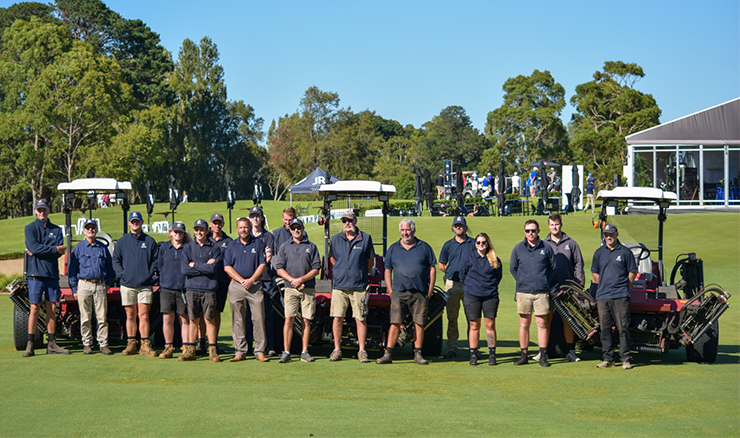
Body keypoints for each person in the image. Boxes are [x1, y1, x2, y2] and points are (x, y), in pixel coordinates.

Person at [377, 218, 437, 365]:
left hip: (419, 292)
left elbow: (432, 269)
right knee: (395, 323)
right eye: (403, 230)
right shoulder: (393, 248)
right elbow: (387, 270)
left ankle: (418, 354)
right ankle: (388, 353)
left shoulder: (424, 247)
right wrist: (391, 291)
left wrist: (429, 291)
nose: (405, 233)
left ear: (413, 230)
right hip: (399, 293)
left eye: (408, 230)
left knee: (419, 323)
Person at [22, 199, 69, 357]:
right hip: (35, 275)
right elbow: (34, 247)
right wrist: (51, 248)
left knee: (52, 308)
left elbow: (60, 250)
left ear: (49, 210)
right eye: (39, 209)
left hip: (51, 274)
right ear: (35, 211)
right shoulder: (30, 228)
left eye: (44, 209)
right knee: (34, 308)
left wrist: (42, 250)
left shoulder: (56, 229)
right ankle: (30, 344)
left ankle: (52, 343)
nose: (42, 212)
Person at [328, 210, 375, 363]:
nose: (346, 224)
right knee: (337, 317)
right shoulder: (335, 239)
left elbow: (370, 262)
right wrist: (342, 272)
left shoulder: (366, 239)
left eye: (349, 220)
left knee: (360, 318)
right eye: (344, 221)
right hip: (339, 286)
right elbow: (333, 259)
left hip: (359, 286)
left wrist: (359, 274)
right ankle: (337, 349)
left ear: (355, 221)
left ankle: (362, 350)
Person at [273, 218, 321, 363]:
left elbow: (316, 269)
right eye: (293, 228)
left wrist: (301, 280)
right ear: (290, 230)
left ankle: (304, 352)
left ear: (303, 228)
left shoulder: (311, 246)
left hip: (307, 288)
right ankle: (286, 352)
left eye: (298, 227)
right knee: (289, 319)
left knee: (306, 320)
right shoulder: (285, 246)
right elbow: (279, 268)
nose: (296, 230)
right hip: (290, 288)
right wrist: (292, 281)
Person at [591, 224, 638, 370]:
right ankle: (607, 359)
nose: (608, 237)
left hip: (620, 296)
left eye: (611, 234)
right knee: (605, 328)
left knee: (622, 328)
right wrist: (604, 283)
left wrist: (623, 286)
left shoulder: (625, 252)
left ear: (617, 234)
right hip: (603, 296)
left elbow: (632, 272)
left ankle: (625, 359)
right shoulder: (599, 253)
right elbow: (594, 272)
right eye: (606, 234)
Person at [113, 211, 158, 357]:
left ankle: (145, 344)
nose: (135, 223)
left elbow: (155, 261)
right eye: (132, 221)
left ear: (142, 222)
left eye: (137, 221)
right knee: (130, 315)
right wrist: (123, 274)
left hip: (145, 285)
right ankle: (131, 343)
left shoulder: (149, 241)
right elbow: (116, 261)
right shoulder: (122, 242)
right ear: (129, 223)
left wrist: (148, 274)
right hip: (127, 284)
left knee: (144, 315)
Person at [509, 219, 554, 367]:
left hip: (541, 292)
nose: (531, 233)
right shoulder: (518, 249)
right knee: (524, 323)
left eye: (533, 230)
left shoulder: (546, 248)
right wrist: (522, 281)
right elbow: (513, 268)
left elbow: (552, 268)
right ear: (524, 231)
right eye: (528, 230)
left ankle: (543, 355)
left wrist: (544, 282)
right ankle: (524, 355)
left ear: (538, 231)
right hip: (523, 292)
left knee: (541, 323)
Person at [223, 217, 268, 362]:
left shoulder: (258, 243)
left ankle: (260, 351)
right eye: (241, 227)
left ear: (250, 228)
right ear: (237, 229)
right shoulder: (231, 245)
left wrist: (251, 280)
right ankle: (240, 351)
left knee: (259, 319)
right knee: (238, 319)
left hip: (255, 286)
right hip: (236, 286)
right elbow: (227, 266)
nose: (244, 230)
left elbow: (262, 264)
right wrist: (241, 280)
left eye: (246, 227)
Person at [542, 213, 585, 363]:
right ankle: (544, 350)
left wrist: (578, 285)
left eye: (557, 224)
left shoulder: (571, 243)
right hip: (548, 288)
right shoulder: (543, 243)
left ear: (561, 225)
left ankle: (570, 351)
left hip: (567, 288)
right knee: (546, 319)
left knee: (568, 320)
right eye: (552, 225)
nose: (555, 227)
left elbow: (579, 264)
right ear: (548, 226)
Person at [68, 219, 115, 355]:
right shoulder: (78, 248)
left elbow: (111, 270)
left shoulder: (102, 248)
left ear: (96, 230)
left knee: (102, 317)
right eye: (88, 228)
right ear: (84, 230)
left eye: (93, 228)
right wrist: (74, 289)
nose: (90, 230)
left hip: (100, 285)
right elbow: (72, 271)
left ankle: (103, 344)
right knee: (85, 317)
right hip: (84, 285)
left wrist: (107, 284)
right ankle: (87, 344)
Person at [179, 219, 222, 362]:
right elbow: (184, 269)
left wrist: (194, 265)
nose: (199, 232)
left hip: (208, 289)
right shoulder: (188, 247)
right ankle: (190, 350)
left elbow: (213, 269)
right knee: (193, 320)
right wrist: (203, 266)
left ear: (207, 231)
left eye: (202, 230)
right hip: (191, 289)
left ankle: (212, 349)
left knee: (209, 319)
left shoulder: (214, 248)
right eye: (196, 230)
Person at [460, 233, 502, 366]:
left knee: (490, 326)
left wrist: (489, 287)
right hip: (472, 296)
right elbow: (462, 275)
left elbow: (498, 277)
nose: (481, 245)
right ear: (475, 244)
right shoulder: (469, 258)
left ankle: (492, 354)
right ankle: (473, 354)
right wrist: (471, 288)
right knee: (474, 325)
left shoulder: (494, 259)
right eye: (478, 242)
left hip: (490, 296)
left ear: (487, 244)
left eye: (483, 242)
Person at [437, 216, 475, 359]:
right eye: (456, 225)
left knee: (471, 318)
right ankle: (452, 348)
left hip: (469, 284)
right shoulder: (448, 245)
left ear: (465, 227)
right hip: (452, 283)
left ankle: (473, 348)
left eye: (461, 225)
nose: (459, 227)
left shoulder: (472, 243)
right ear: (453, 227)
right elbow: (441, 264)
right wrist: (450, 270)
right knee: (452, 318)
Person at [156, 221, 191, 359]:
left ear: (184, 234)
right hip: (166, 288)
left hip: (183, 288)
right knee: (167, 319)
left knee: (184, 319)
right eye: (175, 231)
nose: (177, 234)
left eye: (180, 232)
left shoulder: (188, 247)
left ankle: (186, 346)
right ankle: (168, 346)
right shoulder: (164, 247)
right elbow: (160, 266)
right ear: (171, 233)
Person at [246, 206, 277, 356]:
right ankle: (249, 345)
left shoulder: (268, 237)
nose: (255, 219)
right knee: (248, 316)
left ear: (262, 218)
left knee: (265, 315)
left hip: (265, 279)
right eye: (253, 216)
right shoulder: (246, 236)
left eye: (257, 216)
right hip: (248, 281)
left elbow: (268, 257)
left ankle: (268, 345)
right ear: (249, 218)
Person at [207, 212, 232, 355]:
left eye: (219, 222)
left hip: (221, 281)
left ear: (222, 224)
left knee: (216, 312)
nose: (217, 225)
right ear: (210, 224)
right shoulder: (205, 238)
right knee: (203, 313)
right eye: (214, 222)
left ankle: (214, 343)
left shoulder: (228, 241)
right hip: (205, 281)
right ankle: (201, 341)